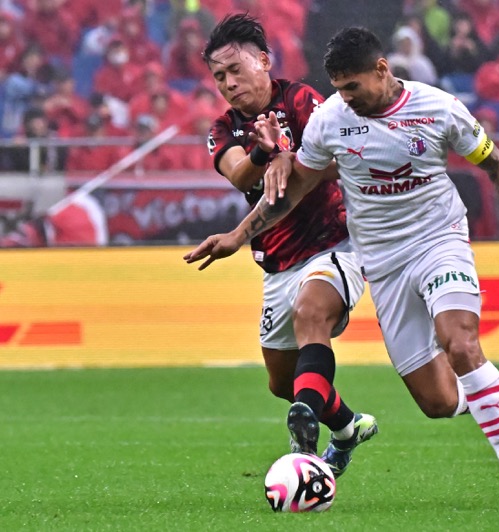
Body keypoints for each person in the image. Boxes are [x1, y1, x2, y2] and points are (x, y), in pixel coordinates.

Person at [185, 26, 499, 511]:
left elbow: (497, 167)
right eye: (339, 88)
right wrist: (239, 235)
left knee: (460, 342)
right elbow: (291, 186)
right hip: (379, 263)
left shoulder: (436, 108)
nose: (343, 98)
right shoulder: (330, 120)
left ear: (382, 70)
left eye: (351, 87)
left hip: (431, 241)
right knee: (438, 402)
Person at [198, 14, 378, 478]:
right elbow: (239, 172)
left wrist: (289, 157)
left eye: (236, 70)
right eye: (220, 77)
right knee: (284, 382)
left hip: (334, 242)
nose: (229, 84)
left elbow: (338, 155)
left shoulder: (300, 99)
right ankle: (347, 427)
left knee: (311, 316)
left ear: (263, 61)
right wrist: (264, 153)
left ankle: (305, 444)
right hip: (277, 263)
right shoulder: (222, 129)